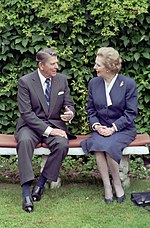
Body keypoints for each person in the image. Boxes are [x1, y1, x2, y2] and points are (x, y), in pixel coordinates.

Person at [15, 47, 75, 212]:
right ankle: (26, 192)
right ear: (41, 65)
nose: (57, 66)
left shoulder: (61, 80)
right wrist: (49, 131)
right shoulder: (25, 82)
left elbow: (68, 103)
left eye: (57, 63)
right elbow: (26, 114)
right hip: (30, 125)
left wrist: (70, 113)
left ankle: (40, 184)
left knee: (62, 144)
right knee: (25, 141)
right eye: (53, 64)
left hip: (55, 124)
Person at [81, 47, 138, 204]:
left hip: (123, 129)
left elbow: (131, 113)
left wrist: (113, 128)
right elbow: (91, 111)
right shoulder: (94, 83)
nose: (95, 68)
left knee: (109, 145)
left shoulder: (128, 84)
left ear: (109, 67)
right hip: (101, 128)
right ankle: (107, 186)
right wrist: (97, 126)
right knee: (98, 144)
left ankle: (117, 184)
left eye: (98, 65)